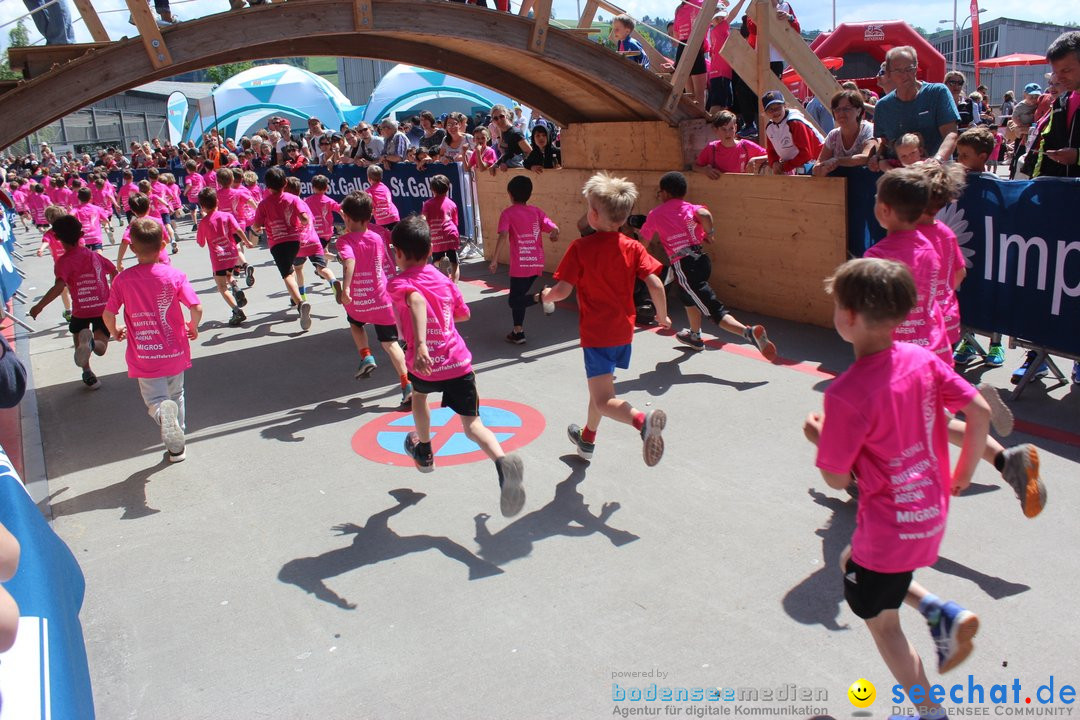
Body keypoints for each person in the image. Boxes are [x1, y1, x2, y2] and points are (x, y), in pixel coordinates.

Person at [803, 257, 990, 713]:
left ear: (847, 317)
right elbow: (980, 411)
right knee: (855, 560)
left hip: (890, 526)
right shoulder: (924, 359)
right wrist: (962, 474)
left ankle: (929, 710)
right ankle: (940, 612)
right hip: (930, 513)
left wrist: (821, 437)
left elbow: (834, 477)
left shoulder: (846, 393)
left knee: (881, 622)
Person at [386, 216, 526, 517]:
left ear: (397, 253)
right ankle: (503, 463)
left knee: (420, 398)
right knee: (473, 425)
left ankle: (424, 448)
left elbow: (417, 301)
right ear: (430, 248)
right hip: (458, 362)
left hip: (427, 364)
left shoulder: (399, 282)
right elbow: (462, 315)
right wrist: (443, 318)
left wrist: (422, 342)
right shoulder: (444, 280)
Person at [540, 172, 671, 466]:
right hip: (623, 332)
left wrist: (546, 295)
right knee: (601, 390)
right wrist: (662, 316)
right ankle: (587, 440)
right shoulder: (633, 246)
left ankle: (643, 421)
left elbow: (562, 291)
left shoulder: (580, 248)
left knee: (603, 400)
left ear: (594, 215)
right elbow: (655, 283)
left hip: (597, 335)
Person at [639, 171, 777, 359]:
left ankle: (748, 333)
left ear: (665, 193)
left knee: (713, 309)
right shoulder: (691, 208)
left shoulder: (656, 213)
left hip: (684, 265)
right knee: (686, 294)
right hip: (701, 261)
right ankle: (695, 336)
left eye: (660, 192)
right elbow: (704, 214)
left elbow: (643, 244)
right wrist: (709, 233)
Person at [103, 219, 201, 463]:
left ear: (133, 248)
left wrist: (114, 331)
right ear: (164, 244)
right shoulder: (175, 275)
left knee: (155, 399)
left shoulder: (123, 280)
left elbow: (108, 314)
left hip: (144, 353)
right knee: (177, 393)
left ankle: (161, 415)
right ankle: (177, 445)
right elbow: (196, 307)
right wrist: (193, 326)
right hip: (174, 349)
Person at [336, 192, 411, 406]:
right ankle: (407, 385)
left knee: (355, 324)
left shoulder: (344, 240)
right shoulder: (377, 237)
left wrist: (346, 289)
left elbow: (349, 262)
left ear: (346, 218)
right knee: (390, 343)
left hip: (359, 301)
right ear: (370, 218)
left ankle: (366, 355)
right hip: (381, 299)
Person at [29, 214, 117, 390]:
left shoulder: (63, 262)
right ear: (81, 234)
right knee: (101, 346)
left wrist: (39, 306)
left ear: (57, 237)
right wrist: (114, 293)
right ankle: (93, 344)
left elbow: (58, 287)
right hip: (102, 307)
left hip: (81, 309)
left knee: (79, 336)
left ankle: (87, 371)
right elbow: (114, 271)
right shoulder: (95, 256)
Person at [488, 175, 560, 344]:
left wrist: (495, 259)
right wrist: (555, 233)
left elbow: (503, 235)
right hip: (536, 262)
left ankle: (542, 296)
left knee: (514, 300)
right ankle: (518, 332)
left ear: (510, 194)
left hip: (521, 264)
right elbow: (554, 228)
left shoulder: (508, 213)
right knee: (519, 297)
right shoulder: (536, 211)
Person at [871, 46, 960, 168]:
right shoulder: (882, 106)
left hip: (937, 175)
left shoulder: (938, 92)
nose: (905, 75)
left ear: (916, 68)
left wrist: (937, 160)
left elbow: (951, 133)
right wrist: (878, 157)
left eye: (909, 69)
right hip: (902, 178)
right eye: (898, 70)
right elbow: (885, 143)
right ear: (889, 73)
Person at [251, 167, 313, 330]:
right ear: (285, 183)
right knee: (292, 268)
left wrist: (257, 229)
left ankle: (300, 303)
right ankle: (296, 298)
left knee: (287, 275)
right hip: (294, 240)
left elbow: (256, 225)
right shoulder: (293, 198)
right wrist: (302, 224)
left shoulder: (264, 204)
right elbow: (305, 218)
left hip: (277, 243)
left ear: (267, 186)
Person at [194, 187, 251, 328]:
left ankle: (237, 311)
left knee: (221, 286)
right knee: (228, 274)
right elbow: (238, 230)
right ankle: (235, 286)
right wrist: (247, 241)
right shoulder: (227, 216)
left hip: (218, 258)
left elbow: (201, 243)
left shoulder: (204, 222)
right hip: (231, 254)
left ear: (202, 206)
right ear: (217, 201)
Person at [284, 177, 341, 305]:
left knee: (297, 270)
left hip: (298, 243)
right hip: (314, 240)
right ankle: (333, 281)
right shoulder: (304, 203)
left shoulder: (291, 204)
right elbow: (312, 220)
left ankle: (301, 297)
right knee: (321, 268)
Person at [812, 89, 876, 176]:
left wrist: (837, 161)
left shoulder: (869, 130)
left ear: (859, 111)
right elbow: (819, 163)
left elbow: (866, 157)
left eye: (846, 109)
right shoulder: (833, 135)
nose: (841, 113)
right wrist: (821, 169)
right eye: (837, 109)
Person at [761, 90, 824, 175]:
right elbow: (771, 151)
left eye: (778, 108)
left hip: (818, 161)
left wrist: (784, 167)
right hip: (797, 164)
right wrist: (774, 162)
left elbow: (806, 154)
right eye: (770, 110)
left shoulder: (795, 122)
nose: (775, 112)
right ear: (765, 113)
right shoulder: (770, 128)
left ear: (785, 106)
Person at [694, 110, 768, 176]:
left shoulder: (746, 146)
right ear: (715, 130)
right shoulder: (711, 148)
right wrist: (704, 170)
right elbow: (695, 166)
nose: (728, 133)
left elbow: (769, 156)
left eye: (731, 128)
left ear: (735, 127)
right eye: (723, 129)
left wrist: (754, 159)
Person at [422, 175, 461, 282]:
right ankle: (454, 285)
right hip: (450, 234)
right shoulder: (452, 204)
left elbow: (424, 218)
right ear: (448, 188)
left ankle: (440, 263)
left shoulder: (428, 204)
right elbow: (455, 222)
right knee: (455, 263)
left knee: (436, 260)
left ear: (432, 189)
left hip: (436, 235)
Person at [304, 175, 342, 256]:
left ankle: (326, 264)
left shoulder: (307, 201)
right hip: (327, 232)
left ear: (312, 187)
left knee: (319, 254)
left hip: (315, 233)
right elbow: (340, 210)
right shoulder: (329, 201)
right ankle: (325, 265)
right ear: (326, 188)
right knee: (324, 251)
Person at [490, 104, 532, 171]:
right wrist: (497, 164)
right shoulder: (502, 131)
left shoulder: (515, 133)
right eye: (495, 118)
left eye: (501, 116)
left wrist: (528, 167)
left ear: (506, 116)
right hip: (509, 173)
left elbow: (529, 152)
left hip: (519, 171)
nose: (499, 120)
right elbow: (506, 153)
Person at [706, 11, 733, 114]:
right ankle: (717, 127)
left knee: (716, 103)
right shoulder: (721, 29)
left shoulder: (713, 32)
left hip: (716, 73)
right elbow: (733, 14)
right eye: (718, 18)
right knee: (722, 105)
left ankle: (715, 126)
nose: (721, 20)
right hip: (722, 72)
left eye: (722, 17)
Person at [366, 164, 400, 233]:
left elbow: (370, 206)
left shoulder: (369, 191)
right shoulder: (385, 188)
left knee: (382, 240)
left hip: (381, 220)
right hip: (393, 216)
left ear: (369, 179)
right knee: (398, 239)